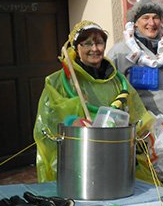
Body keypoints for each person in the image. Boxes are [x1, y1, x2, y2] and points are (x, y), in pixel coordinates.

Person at [33, 20, 154, 183]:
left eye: (99, 43)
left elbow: (136, 114)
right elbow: (48, 123)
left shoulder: (117, 81)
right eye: (87, 44)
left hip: (115, 159)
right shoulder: (59, 82)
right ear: (76, 48)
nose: (95, 49)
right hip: (79, 162)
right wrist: (71, 117)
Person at [108, 0, 163, 122]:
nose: (151, 23)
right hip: (139, 127)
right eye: (145, 18)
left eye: (155, 18)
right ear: (135, 23)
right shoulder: (120, 53)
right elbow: (110, 91)